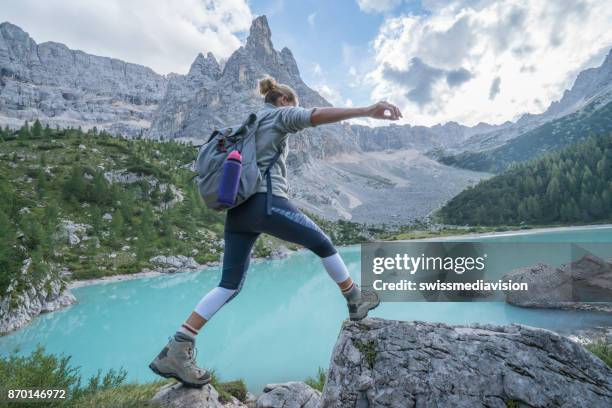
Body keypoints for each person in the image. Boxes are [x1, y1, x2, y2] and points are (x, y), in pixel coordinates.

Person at [149, 76, 403, 387]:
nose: (296, 109)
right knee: (323, 243)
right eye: (294, 104)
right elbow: (315, 116)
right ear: (283, 100)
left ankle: (177, 348)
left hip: (237, 213)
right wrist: (367, 110)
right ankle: (355, 299)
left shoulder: (249, 124)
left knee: (228, 285)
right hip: (266, 203)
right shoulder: (279, 115)